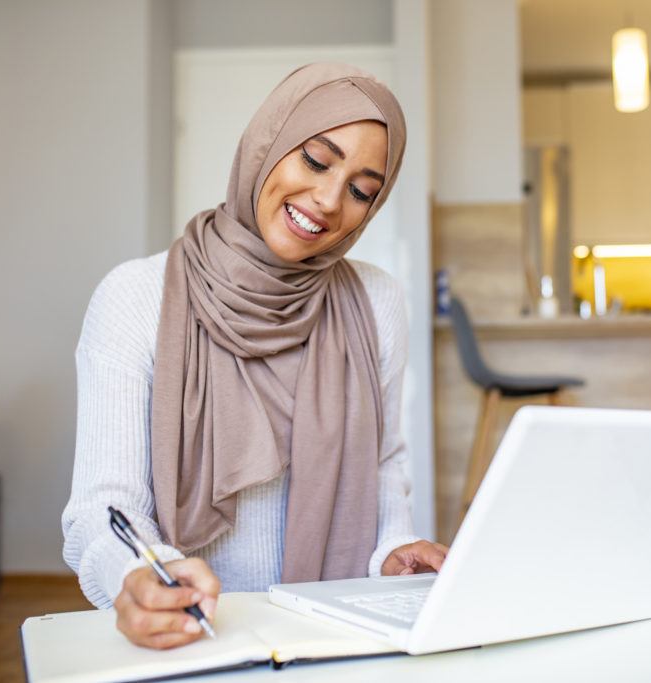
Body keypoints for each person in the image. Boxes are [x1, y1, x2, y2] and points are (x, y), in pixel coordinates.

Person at [62, 63, 448, 650]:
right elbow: (102, 506)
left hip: (332, 640)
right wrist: (136, 574)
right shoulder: (135, 297)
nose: (327, 200)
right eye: (316, 160)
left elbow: (382, 465)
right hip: (192, 641)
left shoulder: (376, 300)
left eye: (362, 190)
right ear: (266, 144)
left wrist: (392, 551)